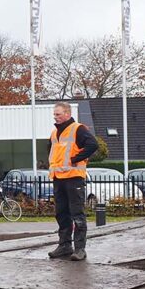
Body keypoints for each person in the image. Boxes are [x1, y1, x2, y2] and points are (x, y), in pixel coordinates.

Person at [47, 102, 98, 261]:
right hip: (58, 178)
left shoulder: (78, 129)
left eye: (58, 114)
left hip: (74, 178)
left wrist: (76, 159)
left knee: (77, 214)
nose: (55, 117)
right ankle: (64, 245)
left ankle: (80, 249)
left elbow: (92, 145)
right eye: (54, 114)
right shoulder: (55, 133)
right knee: (61, 213)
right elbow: (52, 151)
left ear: (67, 114)